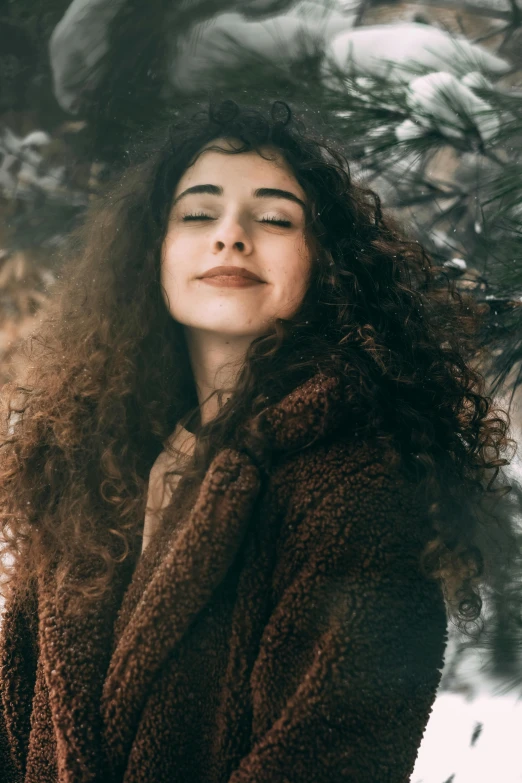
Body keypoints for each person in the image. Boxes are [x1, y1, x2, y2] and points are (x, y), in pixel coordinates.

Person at [0, 99, 518, 783]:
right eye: (197, 213)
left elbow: (332, 751)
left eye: (274, 218)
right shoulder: (94, 470)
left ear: (325, 264)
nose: (231, 235)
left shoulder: (360, 485)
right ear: (150, 251)